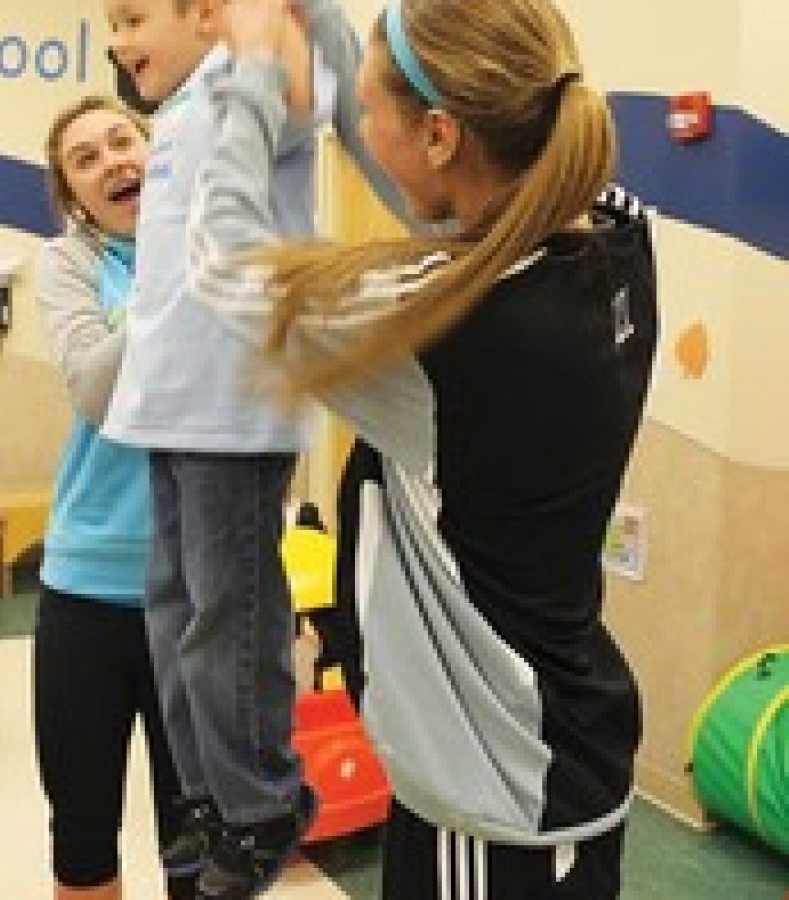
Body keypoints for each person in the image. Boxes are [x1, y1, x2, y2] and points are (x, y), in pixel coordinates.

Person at [185, 0, 660, 897]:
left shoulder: (445, 334)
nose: (356, 128)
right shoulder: (619, 235)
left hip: (496, 787)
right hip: (555, 740)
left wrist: (248, 73)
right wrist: (320, 21)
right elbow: (464, 219)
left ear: (441, 136)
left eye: (367, 112)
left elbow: (221, 266)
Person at [100, 2, 407, 897]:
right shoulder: (182, 111)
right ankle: (207, 793)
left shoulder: (256, 80)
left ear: (206, 15)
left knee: (226, 614)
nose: (118, 42)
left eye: (131, 18)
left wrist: (279, 22)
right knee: (170, 608)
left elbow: (331, 75)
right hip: (168, 407)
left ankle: (261, 800)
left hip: (230, 411)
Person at [35, 95, 196, 900]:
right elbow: (98, 392)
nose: (112, 163)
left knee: (203, 845)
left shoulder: (220, 243)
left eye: (121, 141)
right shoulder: (70, 264)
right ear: (71, 195)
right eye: (85, 160)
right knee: (84, 836)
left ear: (155, 148)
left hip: (199, 591)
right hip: (86, 589)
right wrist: (171, 276)